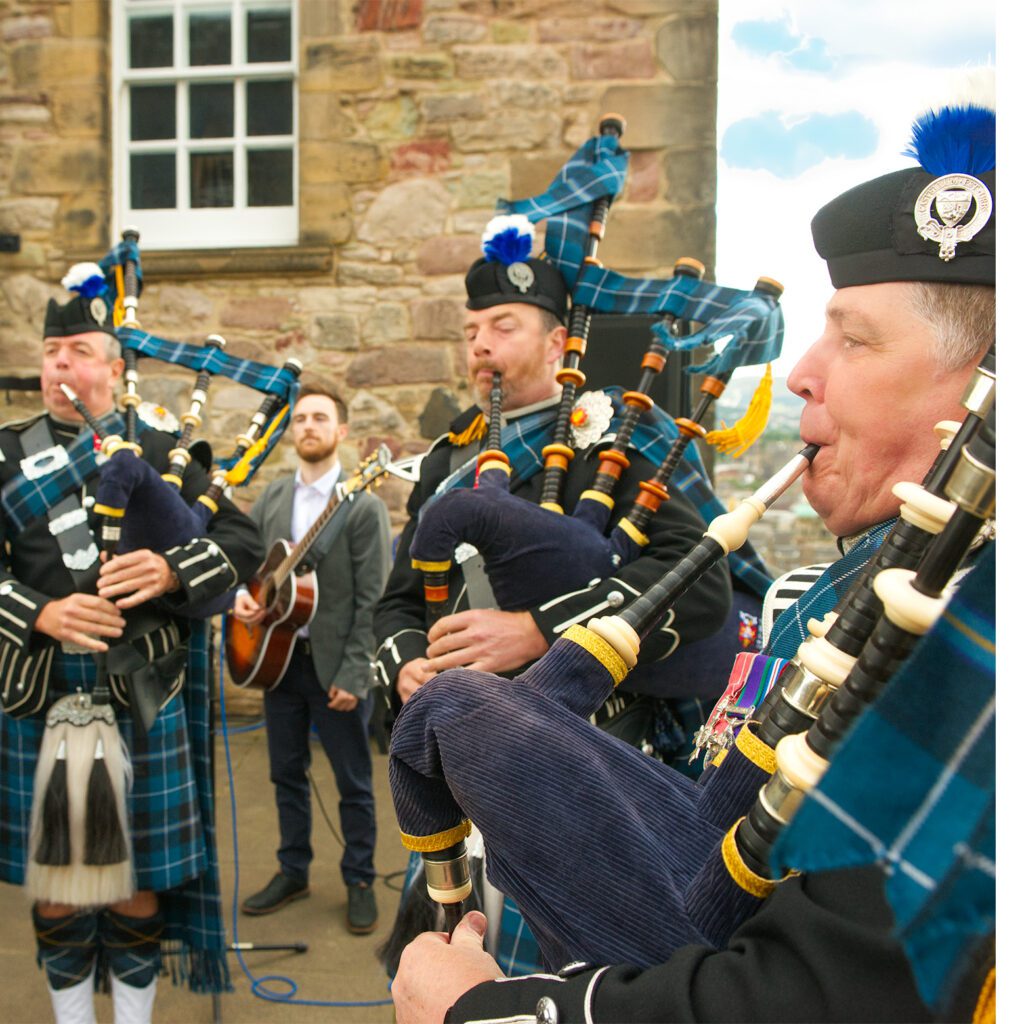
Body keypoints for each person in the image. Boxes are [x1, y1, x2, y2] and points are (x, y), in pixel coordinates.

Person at [389, 79, 996, 1023]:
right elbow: (401, 597)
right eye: (470, 331)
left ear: (559, 341)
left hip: (608, 768)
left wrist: (533, 632)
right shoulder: (447, 452)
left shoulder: (623, 448)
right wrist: (407, 666)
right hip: (556, 809)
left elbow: (698, 599)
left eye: (502, 327)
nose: (480, 348)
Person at [0, 288, 264, 1022]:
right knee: (56, 885)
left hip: (143, 688)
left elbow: (240, 544)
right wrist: (42, 611)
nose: (62, 362)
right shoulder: (5, 453)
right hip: (43, 690)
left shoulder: (157, 448)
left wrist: (173, 570)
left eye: (80, 351)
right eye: (52, 351)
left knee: (138, 881)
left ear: (114, 369)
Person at [235, 382, 391, 935]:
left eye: (320, 418)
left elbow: (374, 597)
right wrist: (246, 601)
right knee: (285, 773)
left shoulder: (363, 506)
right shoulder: (274, 497)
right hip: (279, 661)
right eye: (300, 418)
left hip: (336, 666)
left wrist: (356, 671)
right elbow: (253, 568)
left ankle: (359, 879)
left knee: (352, 779)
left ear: (341, 432)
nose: (307, 426)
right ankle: (293, 869)